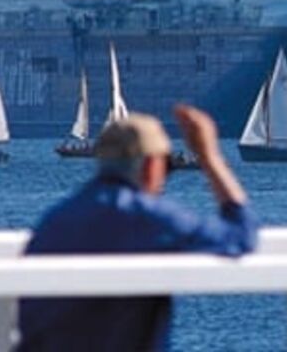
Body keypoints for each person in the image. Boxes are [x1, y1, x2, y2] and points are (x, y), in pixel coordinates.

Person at [18, 105, 258, 352]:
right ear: (151, 165)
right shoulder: (149, 218)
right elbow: (241, 236)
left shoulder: (56, 219)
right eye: (168, 167)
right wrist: (209, 157)